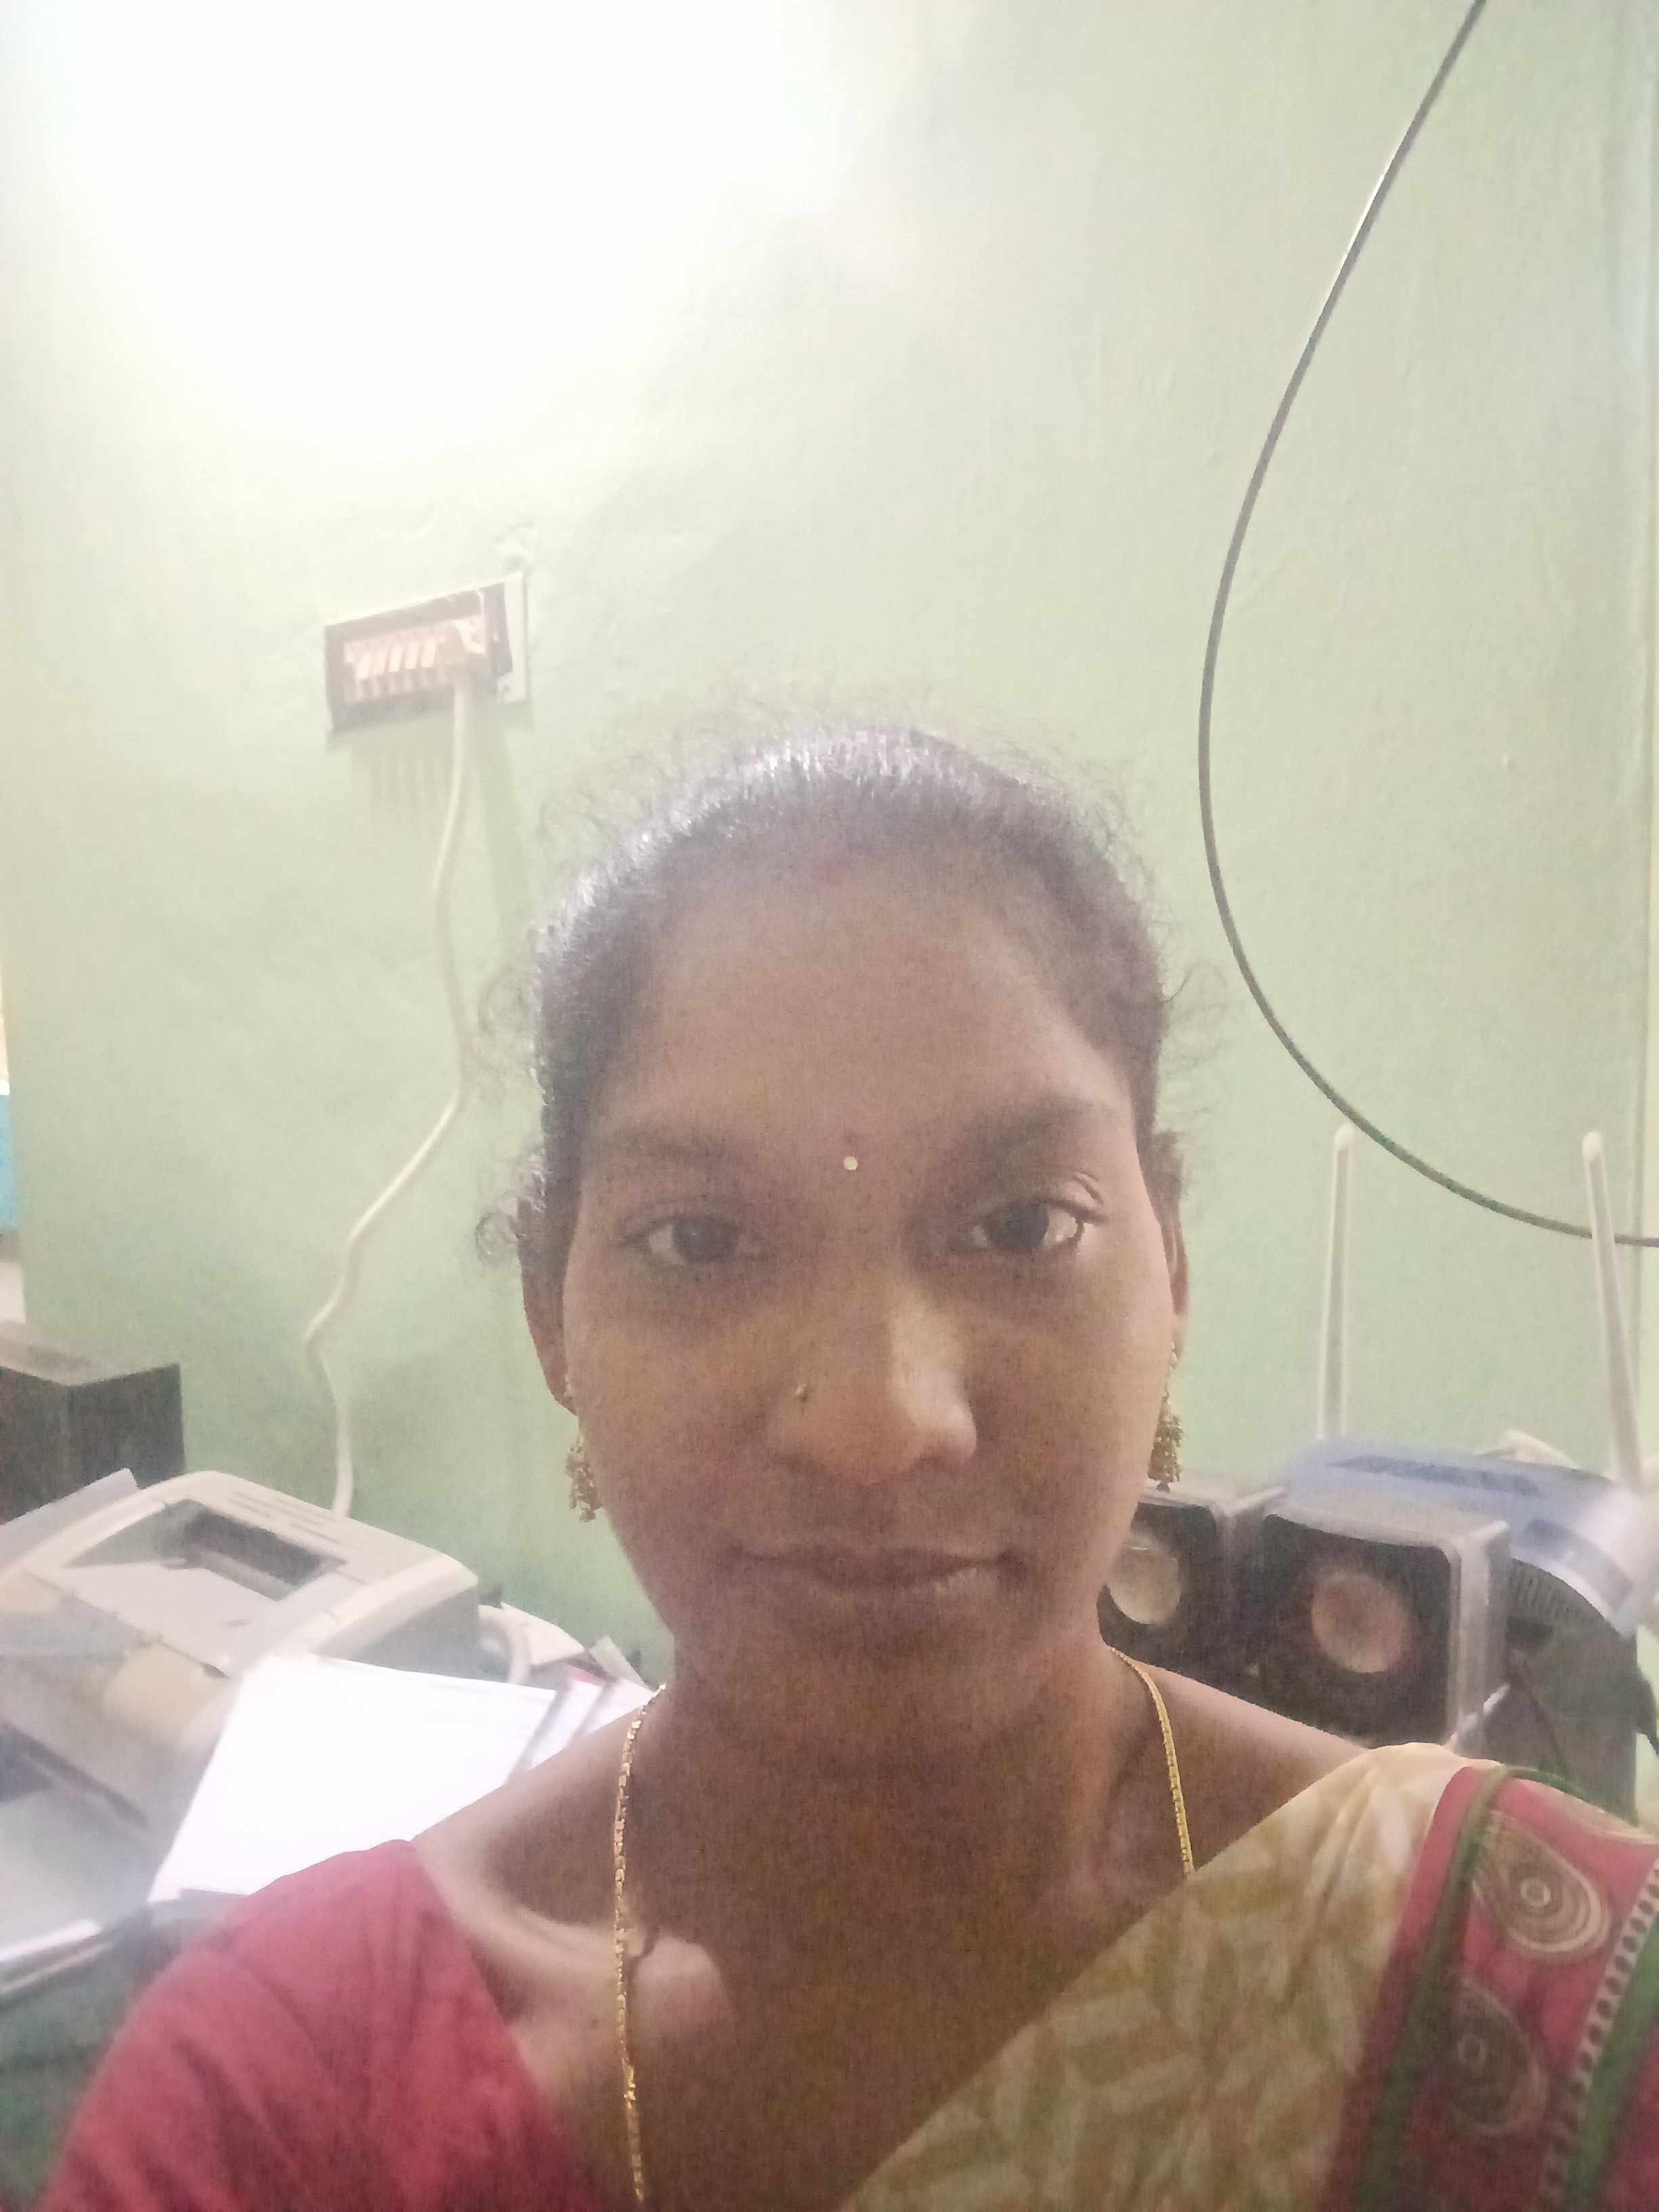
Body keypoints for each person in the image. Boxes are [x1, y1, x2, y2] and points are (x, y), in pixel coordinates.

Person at [40, 727, 1659, 2211]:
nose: (880, 1424)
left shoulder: (1505, 1991)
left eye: (1020, 1225)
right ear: (551, 1310)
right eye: (701, 1241)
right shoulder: (288, 2115)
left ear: (1167, 1258)